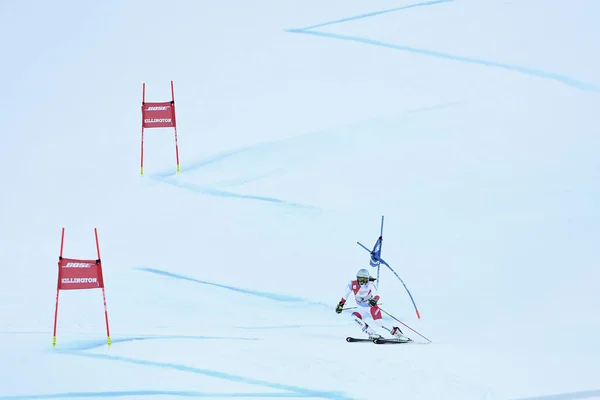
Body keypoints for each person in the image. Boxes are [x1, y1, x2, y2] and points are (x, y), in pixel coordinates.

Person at [336, 268, 410, 341]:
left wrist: (375, 299)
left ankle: (398, 334)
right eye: (360, 279)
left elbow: (378, 293)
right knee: (354, 317)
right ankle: (371, 333)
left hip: (371, 307)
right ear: (357, 278)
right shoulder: (352, 284)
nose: (362, 282)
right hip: (361, 309)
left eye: (364, 280)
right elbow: (345, 295)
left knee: (379, 322)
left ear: (367, 279)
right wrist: (341, 305)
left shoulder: (370, 284)